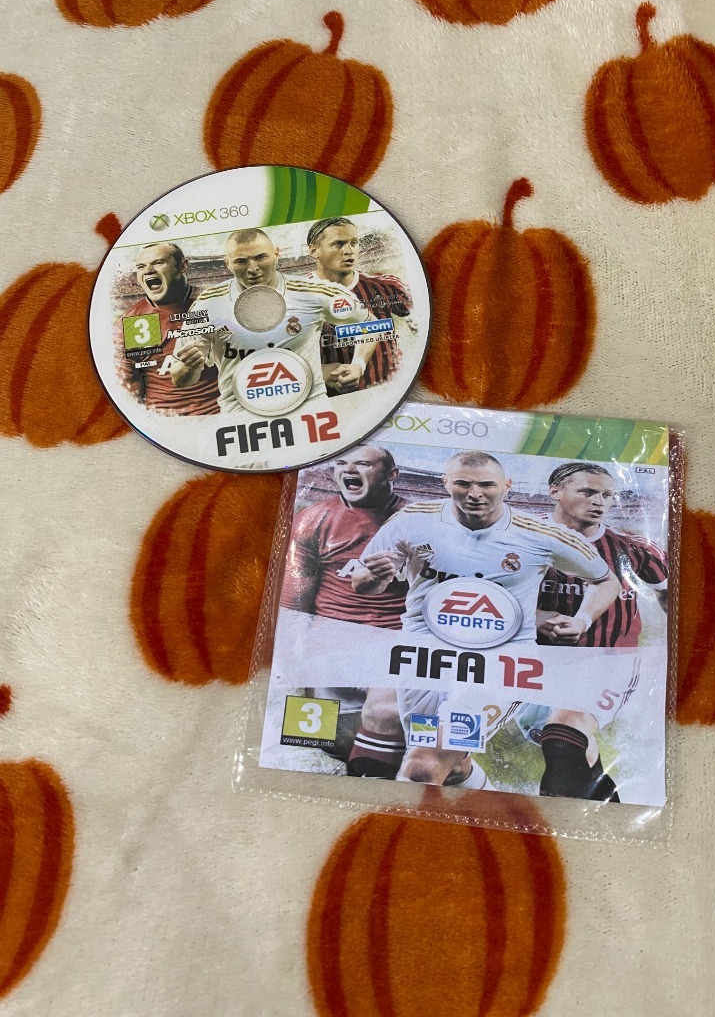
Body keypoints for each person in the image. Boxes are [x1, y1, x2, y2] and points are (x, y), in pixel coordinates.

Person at [352, 450, 621, 789]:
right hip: (423, 660)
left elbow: (606, 580)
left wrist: (582, 620)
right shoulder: (412, 519)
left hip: (501, 665)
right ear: (446, 483)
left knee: (423, 765)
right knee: (450, 766)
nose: (475, 494)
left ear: (506, 486)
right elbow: (363, 582)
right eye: (463, 484)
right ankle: (496, 810)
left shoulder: (541, 534)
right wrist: (376, 576)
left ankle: (398, 824)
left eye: (487, 485)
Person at [519, 461, 669, 801]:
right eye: (587, 492)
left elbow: (671, 597)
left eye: (606, 495)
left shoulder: (635, 549)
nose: (598, 501)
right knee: (572, 751)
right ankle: (609, 812)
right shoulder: (518, 538)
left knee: (564, 734)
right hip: (532, 663)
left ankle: (552, 827)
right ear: (555, 491)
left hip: (607, 661)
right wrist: (535, 617)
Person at [280, 444, 408, 778]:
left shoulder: (419, 522)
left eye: (363, 463)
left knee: (388, 727)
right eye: (341, 462)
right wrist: (296, 666)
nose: (349, 469)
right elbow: (295, 603)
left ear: (391, 475)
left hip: (395, 644)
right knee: (323, 747)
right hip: (330, 645)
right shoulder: (312, 520)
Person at [169, 228, 376, 410]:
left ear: (277, 254)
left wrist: (358, 365)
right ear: (228, 263)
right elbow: (180, 378)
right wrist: (188, 368)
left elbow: (371, 325)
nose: (252, 268)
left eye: (261, 257)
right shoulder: (207, 305)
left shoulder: (313, 293)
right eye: (241, 261)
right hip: (242, 420)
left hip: (310, 413)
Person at [306, 216, 412, 394]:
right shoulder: (295, 297)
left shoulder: (387, 286)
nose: (349, 251)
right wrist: (319, 372)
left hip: (390, 391)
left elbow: (420, 324)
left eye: (353, 243)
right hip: (336, 401)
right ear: (314, 250)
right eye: (338, 244)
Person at [121, 242, 219, 414]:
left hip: (220, 413)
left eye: (158, 262)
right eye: (141, 267)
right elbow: (128, 388)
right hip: (165, 420)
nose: (148, 270)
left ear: (182, 266)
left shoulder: (214, 304)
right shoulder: (136, 321)